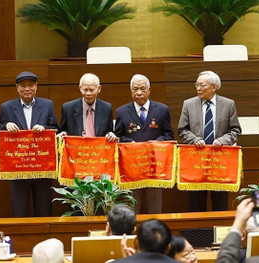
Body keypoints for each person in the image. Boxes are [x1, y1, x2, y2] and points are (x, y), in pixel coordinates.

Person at [0, 71, 58, 217]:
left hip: (42, 168)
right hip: (18, 168)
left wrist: (45, 128)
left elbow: (55, 128)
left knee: (44, 210)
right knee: (20, 210)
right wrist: (7, 125)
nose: (27, 89)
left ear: (36, 86)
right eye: (23, 86)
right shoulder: (7, 107)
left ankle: (45, 237)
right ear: (17, 88)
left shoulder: (47, 105)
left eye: (31, 85)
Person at [177, 71, 241, 212]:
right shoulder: (188, 104)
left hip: (219, 162)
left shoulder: (228, 104)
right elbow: (182, 130)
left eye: (202, 85)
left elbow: (235, 130)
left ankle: (220, 233)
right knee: (196, 203)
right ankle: (197, 233)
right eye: (197, 84)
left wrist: (222, 140)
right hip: (196, 161)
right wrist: (195, 140)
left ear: (214, 87)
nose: (198, 88)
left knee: (220, 203)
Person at [114, 74, 174, 214]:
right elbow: (118, 137)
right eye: (135, 89)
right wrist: (130, 142)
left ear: (149, 90)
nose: (139, 92)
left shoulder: (162, 109)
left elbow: (169, 135)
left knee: (154, 203)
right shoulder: (122, 111)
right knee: (132, 203)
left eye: (142, 89)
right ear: (131, 91)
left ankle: (155, 234)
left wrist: (156, 143)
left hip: (154, 166)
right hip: (131, 167)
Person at [58, 73, 117, 140]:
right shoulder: (68, 108)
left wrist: (110, 134)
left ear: (99, 89)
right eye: (85, 90)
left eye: (92, 90)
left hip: (98, 148)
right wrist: (63, 133)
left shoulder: (107, 108)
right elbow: (62, 130)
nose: (88, 93)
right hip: (76, 148)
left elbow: (109, 130)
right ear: (80, 88)